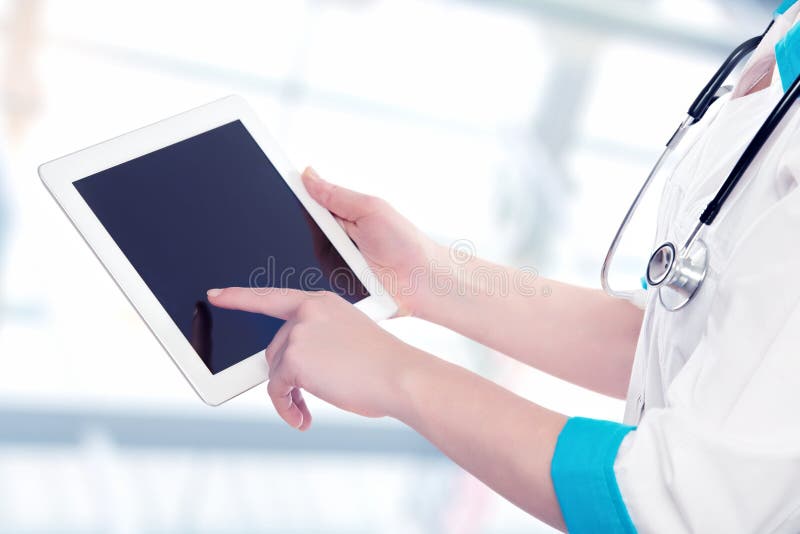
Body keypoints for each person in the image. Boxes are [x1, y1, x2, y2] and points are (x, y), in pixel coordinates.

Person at [206, 6, 800, 532]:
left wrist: (391, 372)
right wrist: (432, 277)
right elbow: (676, 338)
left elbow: (672, 506)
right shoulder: (781, 36)